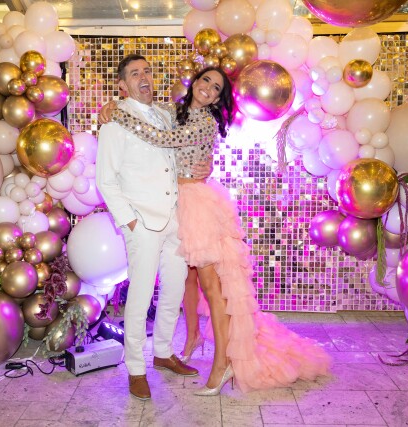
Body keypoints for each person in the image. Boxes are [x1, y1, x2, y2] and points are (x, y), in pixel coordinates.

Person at [100, 66, 331, 395]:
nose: (208, 88)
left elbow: (164, 139)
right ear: (195, 82)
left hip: (195, 206)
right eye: (206, 80)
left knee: (211, 288)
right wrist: (112, 106)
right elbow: (149, 115)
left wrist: (119, 115)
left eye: (217, 88)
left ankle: (221, 362)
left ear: (219, 99)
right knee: (174, 287)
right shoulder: (172, 111)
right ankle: (154, 360)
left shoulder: (204, 121)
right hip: (172, 208)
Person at [95, 54, 201, 401]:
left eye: (147, 71)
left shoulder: (164, 116)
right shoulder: (114, 123)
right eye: (135, 73)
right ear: (122, 85)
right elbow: (105, 180)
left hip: (174, 218)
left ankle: (164, 352)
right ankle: (136, 368)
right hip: (142, 222)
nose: (144, 77)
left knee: (174, 289)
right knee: (140, 297)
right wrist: (130, 222)